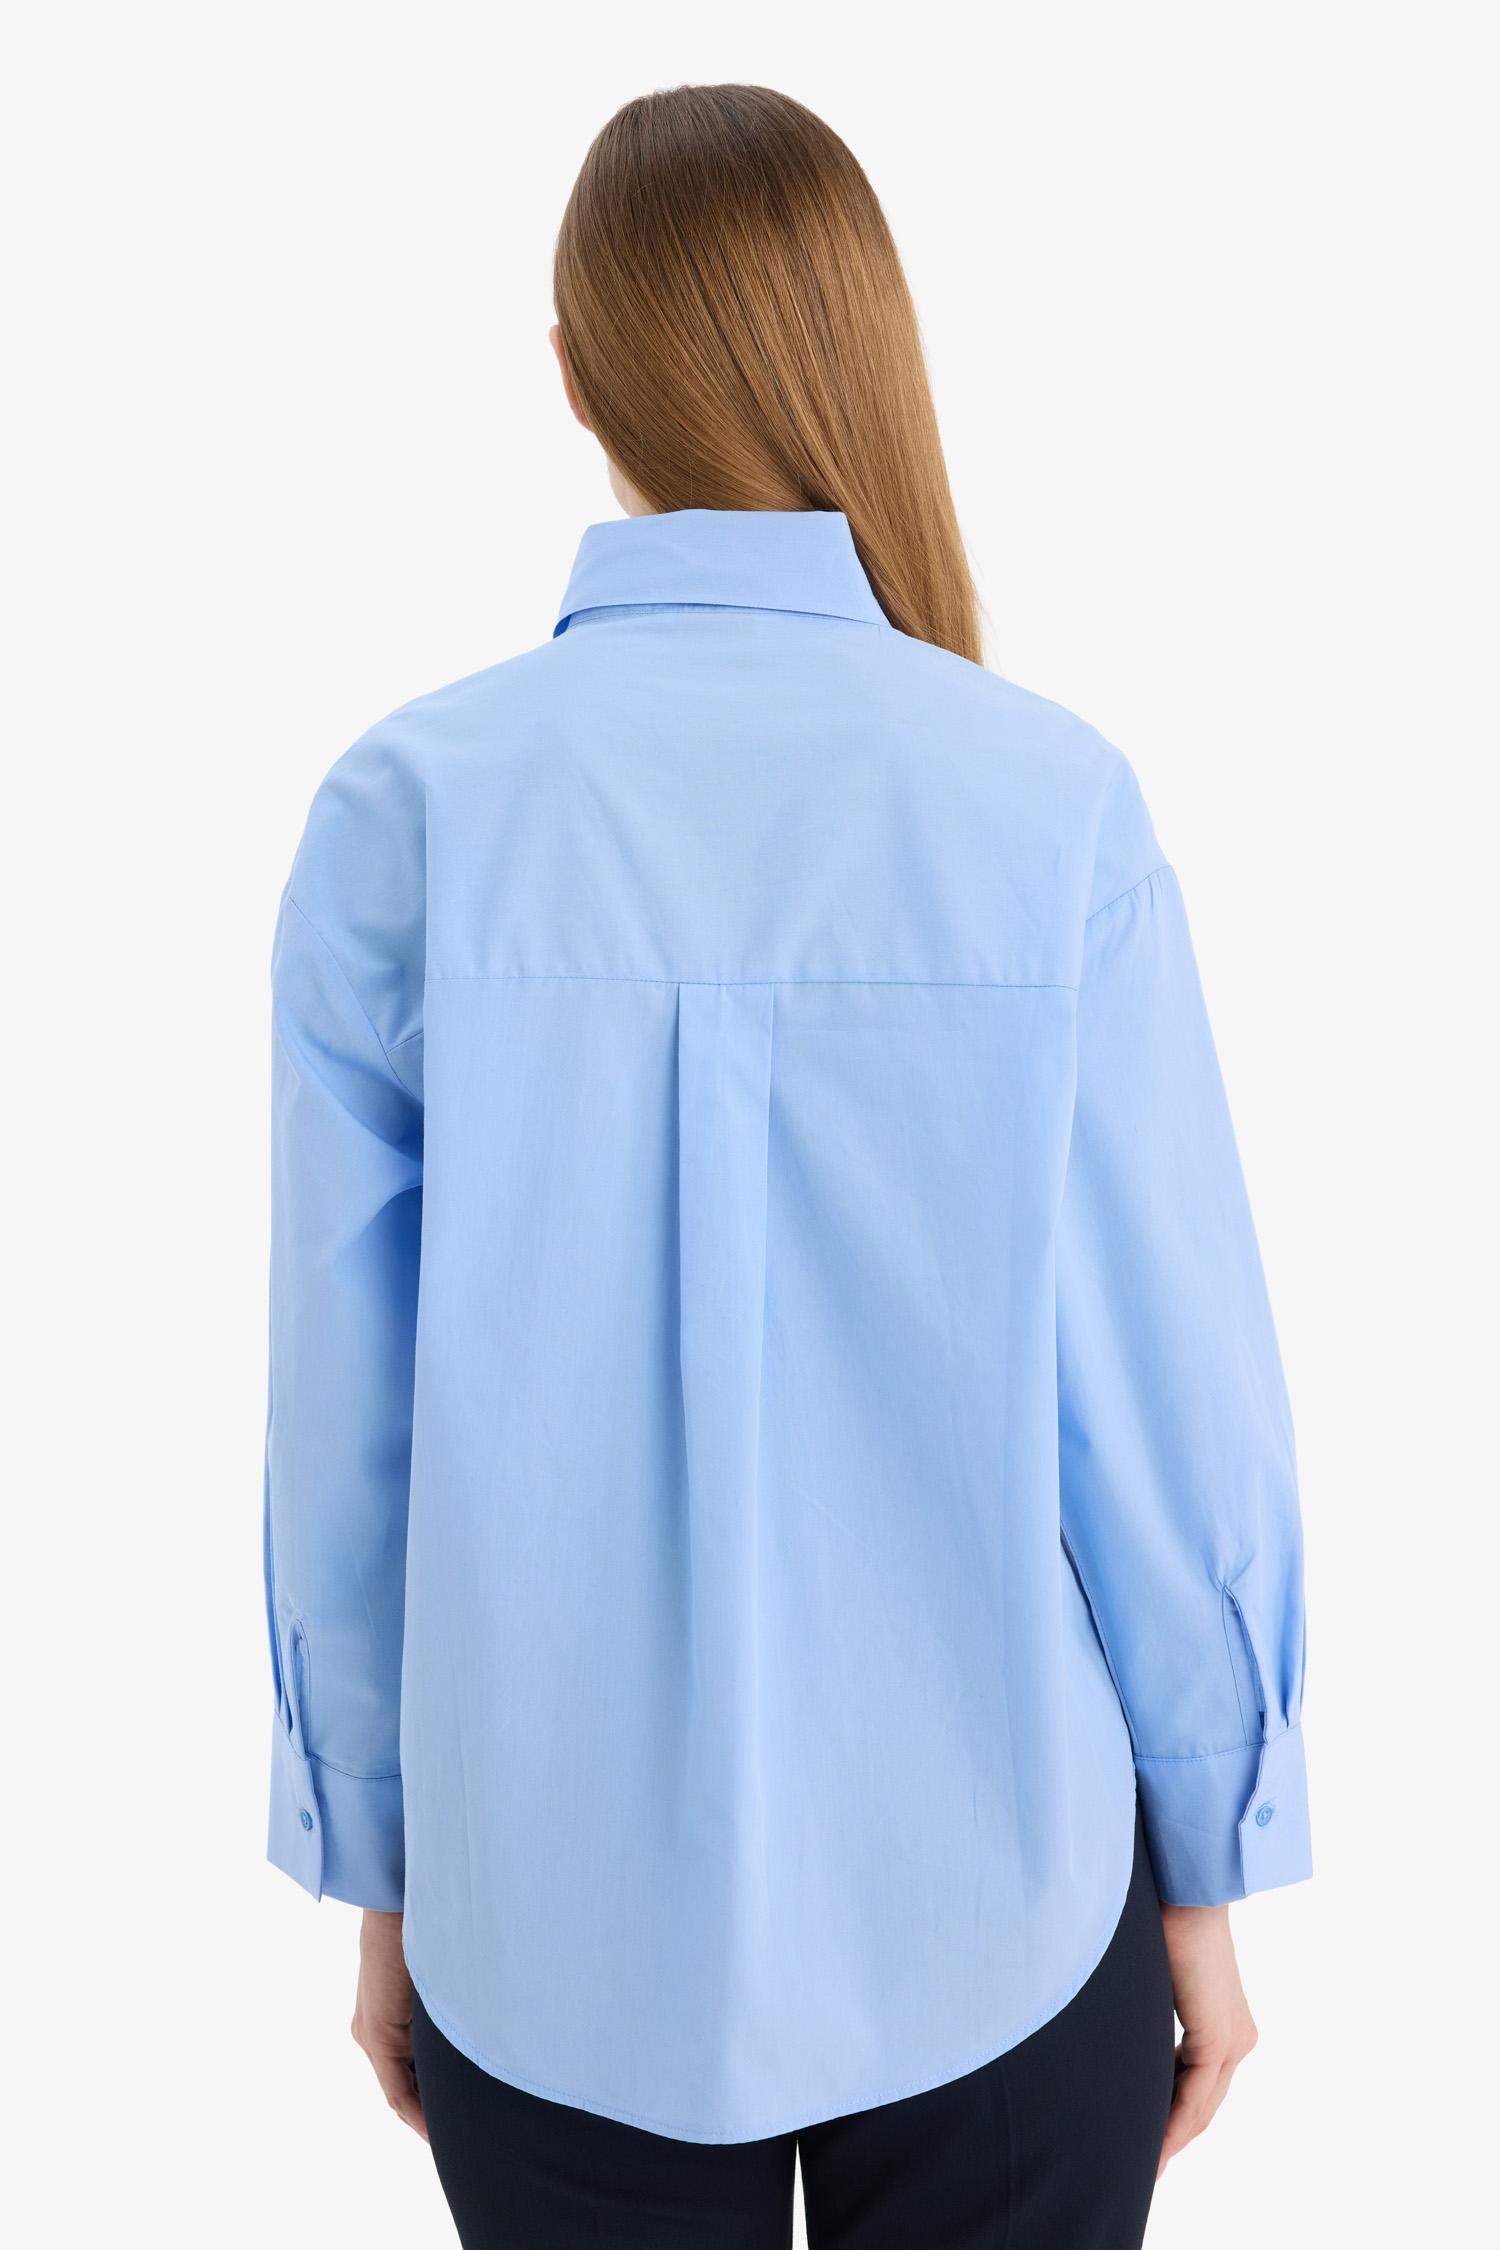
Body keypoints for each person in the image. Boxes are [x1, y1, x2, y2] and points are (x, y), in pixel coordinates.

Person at [264, 83, 1310, 2249]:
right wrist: (1210, 1869)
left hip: (542, 1929)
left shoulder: (406, 813)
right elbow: (1165, 1399)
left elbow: (346, 1423)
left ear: (573, 373)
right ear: (862, 350)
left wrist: (382, 1862)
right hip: (1013, 1916)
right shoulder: (1049, 805)